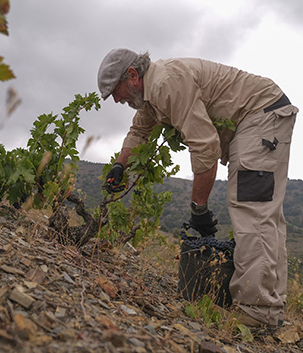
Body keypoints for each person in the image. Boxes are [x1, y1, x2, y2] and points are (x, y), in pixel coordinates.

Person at [98, 48, 298, 328]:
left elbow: (205, 146)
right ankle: (268, 307)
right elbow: (139, 132)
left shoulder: (166, 83)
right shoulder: (149, 96)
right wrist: (119, 166)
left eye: (116, 91)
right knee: (264, 215)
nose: (117, 100)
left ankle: (257, 313)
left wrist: (198, 208)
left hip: (261, 115)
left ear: (132, 75)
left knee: (253, 209)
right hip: (260, 116)